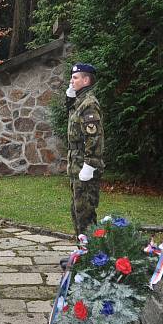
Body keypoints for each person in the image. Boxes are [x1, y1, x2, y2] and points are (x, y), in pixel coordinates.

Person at [65, 63, 104, 236]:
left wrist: (90, 164)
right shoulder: (80, 102)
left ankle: (93, 257)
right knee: (77, 210)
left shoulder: (89, 104)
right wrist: (70, 98)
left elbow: (94, 137)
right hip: (76, 164)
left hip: (85, 165)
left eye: (75, 77)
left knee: (86, 213)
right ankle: (83, 252)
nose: (71, 81)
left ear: (86, 80)